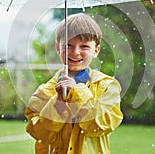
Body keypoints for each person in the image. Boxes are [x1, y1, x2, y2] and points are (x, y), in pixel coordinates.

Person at [25, 13, 123, 154]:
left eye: (84, 47)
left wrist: (77, 92)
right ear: (58, 48)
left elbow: (101, 125)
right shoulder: (45, 92)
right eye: (68, 45)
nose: (75, 52)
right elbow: (39, 134)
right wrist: (58, 102)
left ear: (96, 50)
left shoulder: (108, 87)